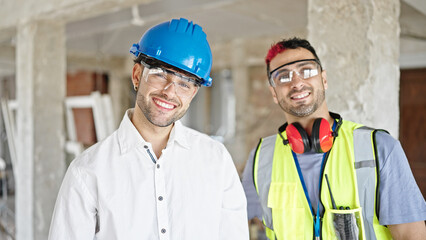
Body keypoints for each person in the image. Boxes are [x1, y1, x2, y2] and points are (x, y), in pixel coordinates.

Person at [49, 18, 249, 240]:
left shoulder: (216, 160)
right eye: (160, 74)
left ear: (193, 93)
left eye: (184, 83)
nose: (170, 91)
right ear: (137, 76)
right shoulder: (87, 172)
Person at [242, 37, 426, 239]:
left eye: (307, 70)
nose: (297, 82)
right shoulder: (261, 158)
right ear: (274, 93)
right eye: (283, 76)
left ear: (324, 79)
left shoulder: (378, 147)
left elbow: (411, 235)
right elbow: (240, 226)